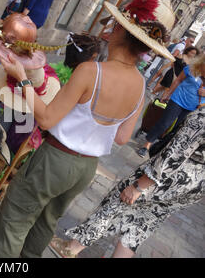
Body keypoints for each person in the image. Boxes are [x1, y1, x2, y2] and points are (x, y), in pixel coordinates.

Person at [0, 0, 176, 258]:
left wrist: (23, 80)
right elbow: (122, 137)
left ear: (120, 29)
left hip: (55, 159)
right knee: (46, 222)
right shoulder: (140, 85)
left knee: (14, 220)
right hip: (85, 168)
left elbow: (47, 119)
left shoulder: (91, 71)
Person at [50, 106, 204, 258]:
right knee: (143, 223)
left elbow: (175, 154)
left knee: (117, 203)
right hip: (194, 186)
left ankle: (72, 248)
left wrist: (138, 186)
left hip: (172, 176)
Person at [137, 55, 205, 158]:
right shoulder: (192, 68)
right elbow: (178, 80)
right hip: (178, 99)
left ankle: (160, 147)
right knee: (165, 123)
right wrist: (167, 94)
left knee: (177, 129)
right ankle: (147, 144)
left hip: (194, 107)